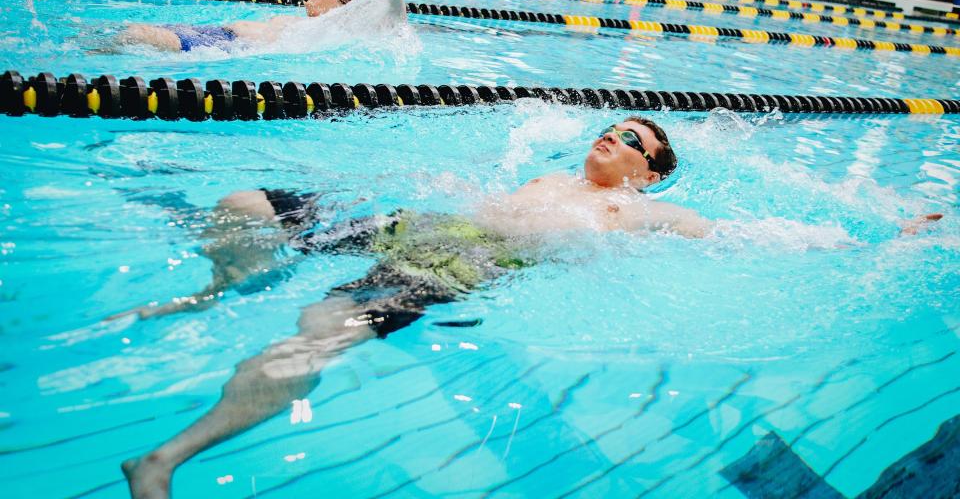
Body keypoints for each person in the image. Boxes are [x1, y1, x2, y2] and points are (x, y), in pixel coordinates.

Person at [116, 116, 943, 499]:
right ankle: (220, 286)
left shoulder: (644, 213)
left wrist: (882, 237)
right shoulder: (549, 175)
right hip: (415, 224)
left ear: (650, 173)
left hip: (453, 266)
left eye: (633, 140)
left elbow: (760, 236)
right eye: (613, 126)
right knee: (243, 203)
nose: (613, 137)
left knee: (312, 341)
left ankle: (164, 462)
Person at [119, 0, 402, 52]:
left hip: (220, 47)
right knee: (128, 30)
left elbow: (392, 25)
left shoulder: (333, 28)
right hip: (210, 36)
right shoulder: (298, 21)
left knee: (136, 34)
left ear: (342, 6)